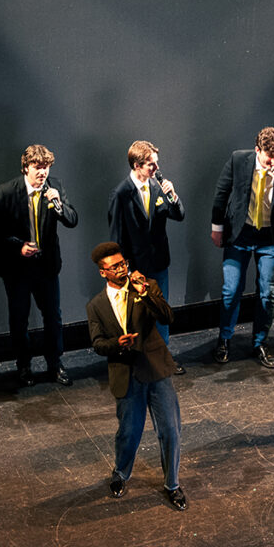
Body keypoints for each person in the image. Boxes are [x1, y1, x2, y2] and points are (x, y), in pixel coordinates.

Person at [86, 242, 186, 511]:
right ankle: (120, 473)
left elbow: (167, 317)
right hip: (126, 373)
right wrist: (118, 343)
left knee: (170, 430)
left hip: (155, 369)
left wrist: (145, 293)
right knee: (128, 432)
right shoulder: (96, 305)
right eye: (114, 266)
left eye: (123, 263)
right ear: (102, 272)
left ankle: (173, 484)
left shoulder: (145, 285)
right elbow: (97, 344)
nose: (121, 269)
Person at [210, 126, 274, 368]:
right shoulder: (238, 160)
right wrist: (217, 227)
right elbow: (221, 194)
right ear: (258, 150)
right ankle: (224, 339)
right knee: (230, 291)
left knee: (268, 294)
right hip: (241, 234)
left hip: (271, 239)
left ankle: (260, 343)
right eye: (270, 157)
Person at [0, 145, 78, 387]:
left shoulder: (54, 187)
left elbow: (72, 220)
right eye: (38, 167)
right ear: (25, 167)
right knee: (19, 319)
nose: (43, 172)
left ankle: (55, 364)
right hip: (16, 268)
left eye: (46, 167)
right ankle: (24, 365)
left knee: (53, 317)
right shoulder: (7, 192)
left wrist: (58, 204)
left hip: (46, 266)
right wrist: (19, 247)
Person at [108, 140, 186, 374]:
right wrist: (125, 272)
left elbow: (179, 215)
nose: (155, 169)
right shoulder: (121, 194)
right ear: (136, 165)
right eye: (150, 165)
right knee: (137, 317)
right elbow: (116, 239)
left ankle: (162, 358)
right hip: (136, 267)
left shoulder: (158, 188)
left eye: (156, 164)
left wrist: (172, 195)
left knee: (161, 312)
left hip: (159, 263)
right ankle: (139, 360)